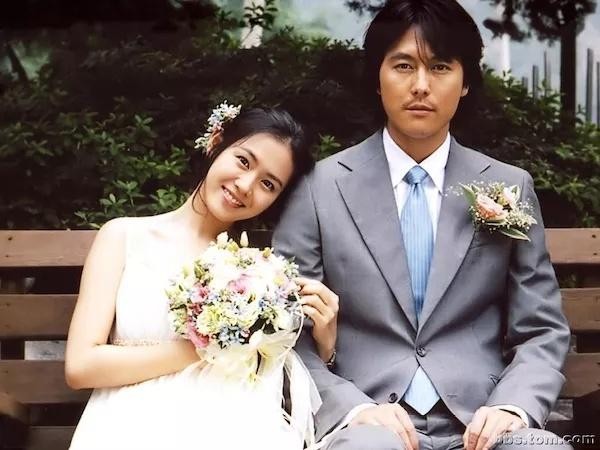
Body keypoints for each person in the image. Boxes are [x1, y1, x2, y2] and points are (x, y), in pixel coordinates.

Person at [273, 1, 571, 450]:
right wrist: (351, 408)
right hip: (368, 419)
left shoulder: (509, 186)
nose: (420, 85)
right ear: (377, 78)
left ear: (465, 82)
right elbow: (285, 332)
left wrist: (513, 406)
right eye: (403, 66)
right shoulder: (319, 187)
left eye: (440, 66)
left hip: (482, 418)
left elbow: (542, 328)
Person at [65, 106, 338, 450]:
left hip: (226, 422)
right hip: (128, 419)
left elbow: (272, 374)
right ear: (216, 142)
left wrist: (325, 345)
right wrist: (209, 347)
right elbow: (81, 366)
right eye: (243, 161)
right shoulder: (124, 237)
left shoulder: (259, 273)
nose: (245, 186)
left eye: (268, 184)